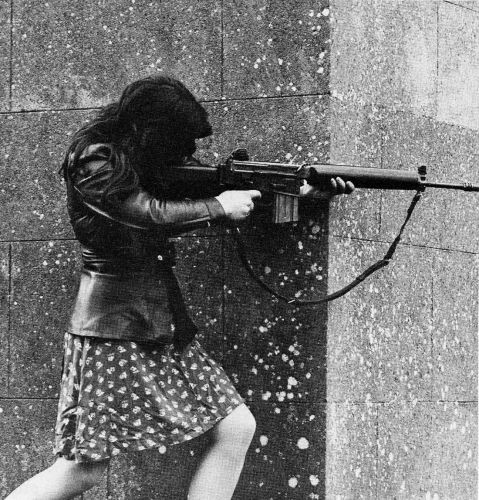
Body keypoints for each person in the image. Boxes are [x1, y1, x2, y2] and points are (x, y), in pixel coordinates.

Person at [5, 75, 354, 500]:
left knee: (236, 427)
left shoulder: (141, 159)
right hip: (115, 329)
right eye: (179, 144)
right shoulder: (94, 158)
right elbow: (143, 213)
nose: (187, 156)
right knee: (82, 470)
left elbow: (206, 186)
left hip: (160, 325)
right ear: (152, 132)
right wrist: (219, 206)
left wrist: (304, 189)